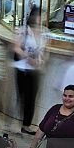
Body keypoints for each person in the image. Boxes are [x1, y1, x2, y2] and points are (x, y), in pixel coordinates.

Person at [13, 7, 47, 135]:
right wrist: (28, 58)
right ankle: (17, 124)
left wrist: (42, 60)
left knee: (31, 99)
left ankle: (26, 125)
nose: (42, 18)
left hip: (35, 70)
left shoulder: (44, 32)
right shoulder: (23, 30)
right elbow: (16, 47)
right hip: (23, 68)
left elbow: (44, 51)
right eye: (40, 16)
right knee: (21, 97)